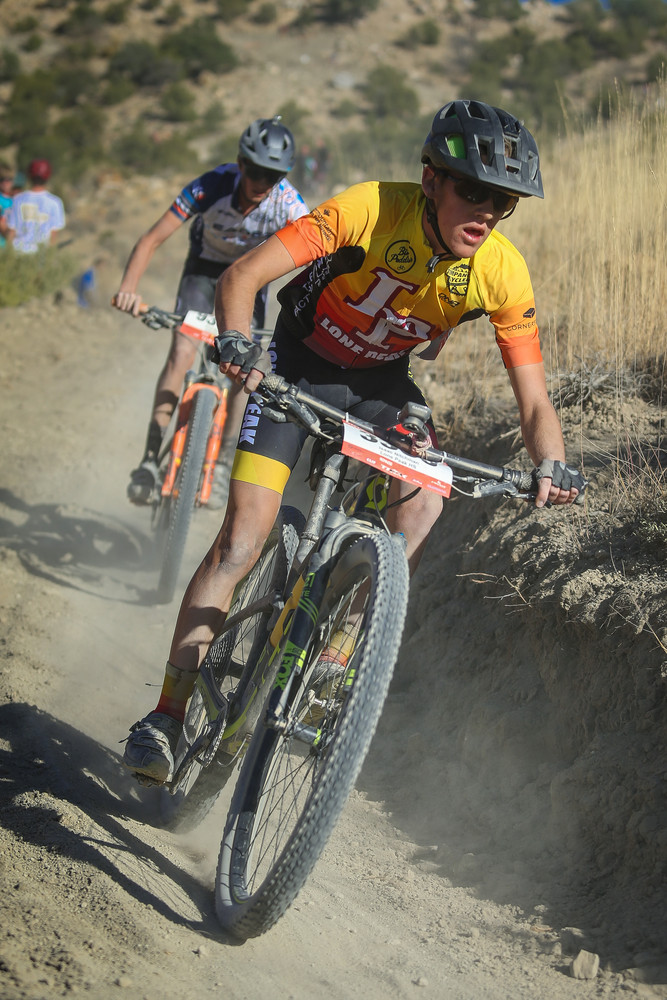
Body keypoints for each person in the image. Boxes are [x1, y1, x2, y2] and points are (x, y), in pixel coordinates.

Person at [122, 99, 586, 783]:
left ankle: (335, 666)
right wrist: (238, 344)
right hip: (294, 364)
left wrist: (552, 462)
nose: (486, 212)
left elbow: (536, 400)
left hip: (380, 387)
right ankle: (165, 715)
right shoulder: (367, 208)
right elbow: (242, 277)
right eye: (472, 191)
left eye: (504, 202)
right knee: (241, 543)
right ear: (431, 180)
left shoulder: (501, 270)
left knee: (424, 502)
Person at [112, 116, 309, 507]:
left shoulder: (288, 203)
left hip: (247, 281)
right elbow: (151, 239)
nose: (262, 182)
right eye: (255, 171)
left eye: (273, 176)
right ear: (240, 163)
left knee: (244, 368)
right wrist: (128, 289)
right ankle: (149, 459)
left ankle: (220, 465)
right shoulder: (211, 185)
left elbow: (316, 257)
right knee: (181, 352)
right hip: (203, 272)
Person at [5, 159, 65, 253]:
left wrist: (7, 255)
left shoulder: (17, 200)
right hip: (41, 254)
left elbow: (11, 231)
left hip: (19, 252)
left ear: (29, 175)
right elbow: (53, 236)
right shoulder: (55, 202)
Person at [0, 161, 14, 247]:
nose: (5, 183)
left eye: (8, 180)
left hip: (10, 245)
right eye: (2, 180)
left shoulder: (16, 200)